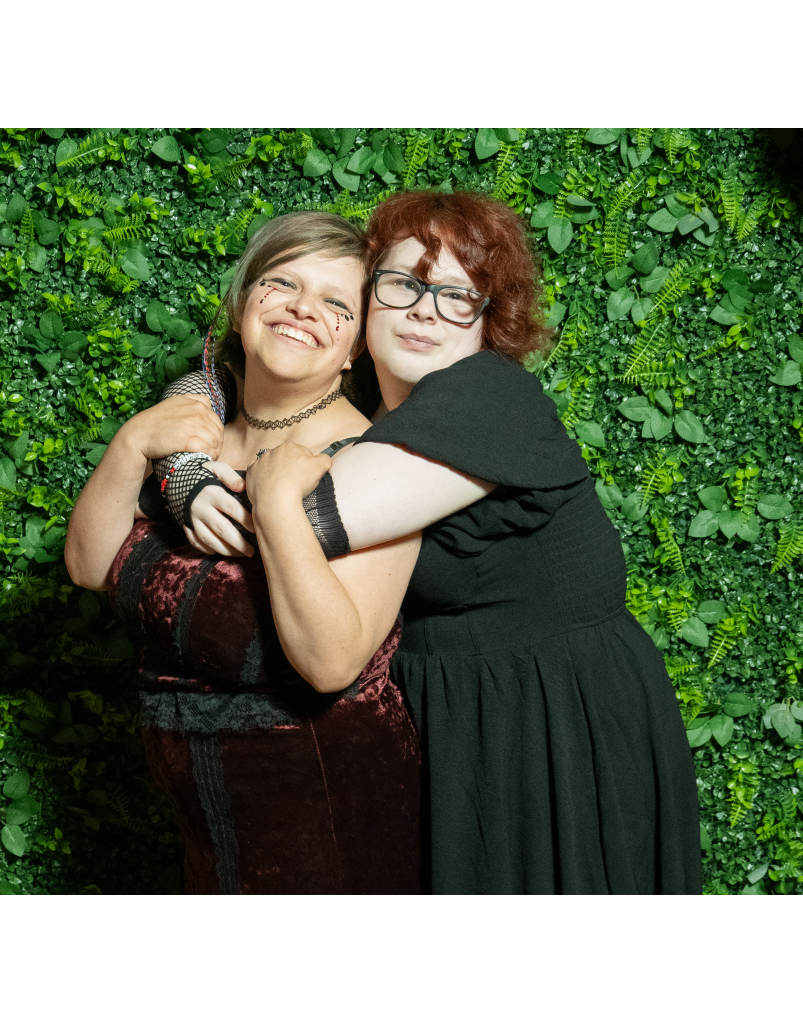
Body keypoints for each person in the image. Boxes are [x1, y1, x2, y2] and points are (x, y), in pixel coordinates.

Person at [159, 191, 702, 895]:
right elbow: (216, 376)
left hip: (554, 718)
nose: (425, 310)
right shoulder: (364, 398)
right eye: (404, 284)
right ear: (367, 302)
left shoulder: (488, 398)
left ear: (487, 321)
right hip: (445, 717)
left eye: (458, 296)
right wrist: (183, 457)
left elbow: (290, 521)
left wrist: (193, 480)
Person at [64, 212, 423, 894]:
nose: (302, 308)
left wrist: (277, 503)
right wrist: (134, 442)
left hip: (328, 826)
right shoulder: (188, 433)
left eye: (336, 303)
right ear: (242, 303)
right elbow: (89, 565)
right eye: (282, 282)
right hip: (208, 831)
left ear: (356, 348)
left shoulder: (373, 462)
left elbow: (332, 663)